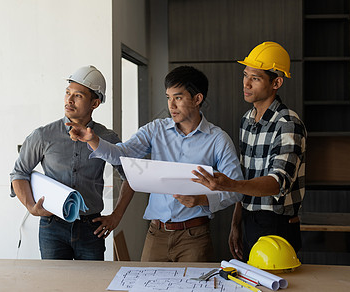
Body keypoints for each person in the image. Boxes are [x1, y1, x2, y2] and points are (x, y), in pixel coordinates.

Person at [67, 65, 244, 262]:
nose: (171, 105)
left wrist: (202, 199)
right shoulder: (155, 130)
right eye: (168, 98)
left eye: (178, 97)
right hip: (156, 234)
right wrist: (93, 140)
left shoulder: (218, 139)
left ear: (197, 99)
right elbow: (123, 155)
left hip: (195, 236)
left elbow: (236, 189)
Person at [192, 42, 307, 262]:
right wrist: (236, 223)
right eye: (245, 75)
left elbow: (278, 182)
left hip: (278, 224)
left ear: (276, 82)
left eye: (255, 78)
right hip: (249, 219)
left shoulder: (287, 122)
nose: (246, 83)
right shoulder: (247, 119)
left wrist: (229, 185)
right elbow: (245, 175)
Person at [10, 65, 134, 260]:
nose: (69, 99)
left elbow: (132, 176)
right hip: (52, 226)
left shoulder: (107, 138)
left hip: (92, 229)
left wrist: (116, 216)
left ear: (95, 103)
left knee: (91, 287)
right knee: (55, 287)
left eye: (78, 96)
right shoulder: (43, 136)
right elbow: (19, 173)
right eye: (68, 93)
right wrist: (31, 207)